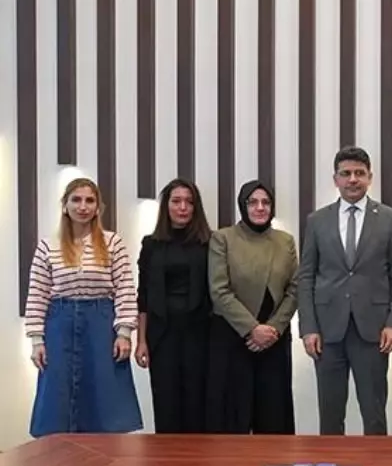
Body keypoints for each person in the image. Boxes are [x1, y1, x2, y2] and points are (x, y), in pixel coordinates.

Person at [298, 146, 392, 436]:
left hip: (372, 331)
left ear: (370, 177)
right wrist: (308, 328)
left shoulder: (389, 218)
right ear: (335, 179)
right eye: (345, 173)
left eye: (359, 173)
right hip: (327, 331)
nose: (353, 179)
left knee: (374, 413)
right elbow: (306, 276)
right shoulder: (317, 220)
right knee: (331, 413)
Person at [24, 178, 142, 436]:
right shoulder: (48, 245)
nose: (83, 206)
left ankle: (104, 463)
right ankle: (58, 462)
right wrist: (36, 340)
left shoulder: (112, 243)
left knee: (103, 391)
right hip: (59, 322)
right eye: (76, 200)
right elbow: (37, 293)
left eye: (90, 200)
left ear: (98, 207)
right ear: (65, 205)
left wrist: (124, 333)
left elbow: (124, 288)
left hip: (101, 322)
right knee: (57, 391)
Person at [207, 180, 298, 434]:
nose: (260, 208)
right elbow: (219, 290)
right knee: (233, 417)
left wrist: (273, 329)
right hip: (233, 338)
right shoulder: (222, 238)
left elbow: (295, 289)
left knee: (274, 417)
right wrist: (251, 329)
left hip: (274, 340)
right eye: (253, 202)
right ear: (243, 205)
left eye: (266, 202)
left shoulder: (285, 241)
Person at [135, 178, 213, 434]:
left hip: (200, 334)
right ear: (166, 206)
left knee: (198, 405)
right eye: (176, 201)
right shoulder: (151, 244)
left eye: (189, 202)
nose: (183, 207)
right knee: (166, 405)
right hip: (161, 335)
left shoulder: (210, 243)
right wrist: (141, 341)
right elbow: (143, 295)